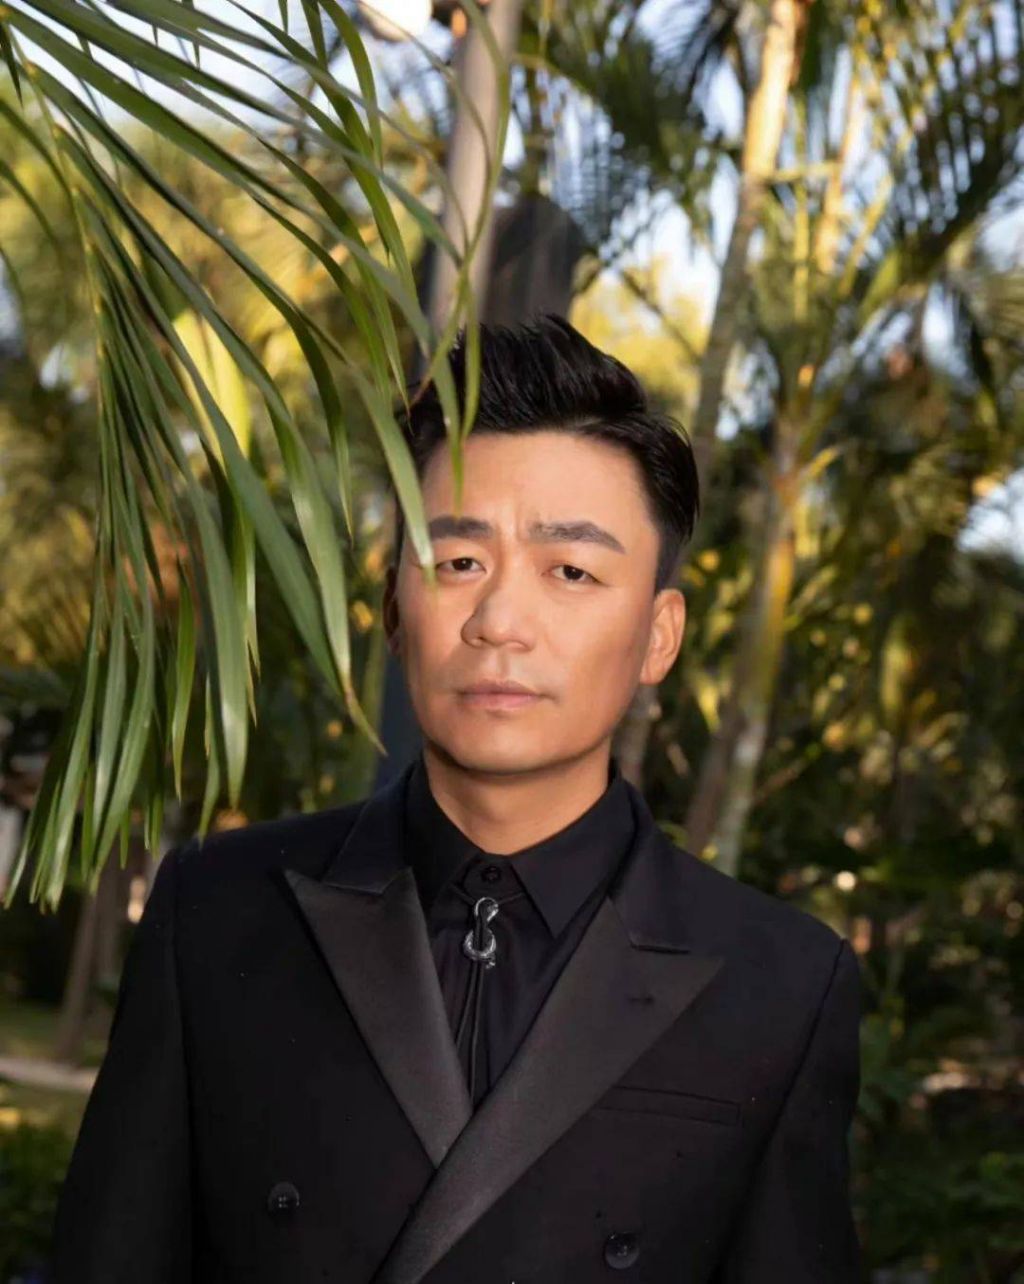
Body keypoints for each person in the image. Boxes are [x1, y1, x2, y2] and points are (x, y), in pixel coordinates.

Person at [53, 315, 863, 1283]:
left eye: (571, 572)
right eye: (459, 563)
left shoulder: (780, 984)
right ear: (395, 607)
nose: (500, 622)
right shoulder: (216, 913)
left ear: (658, 636)